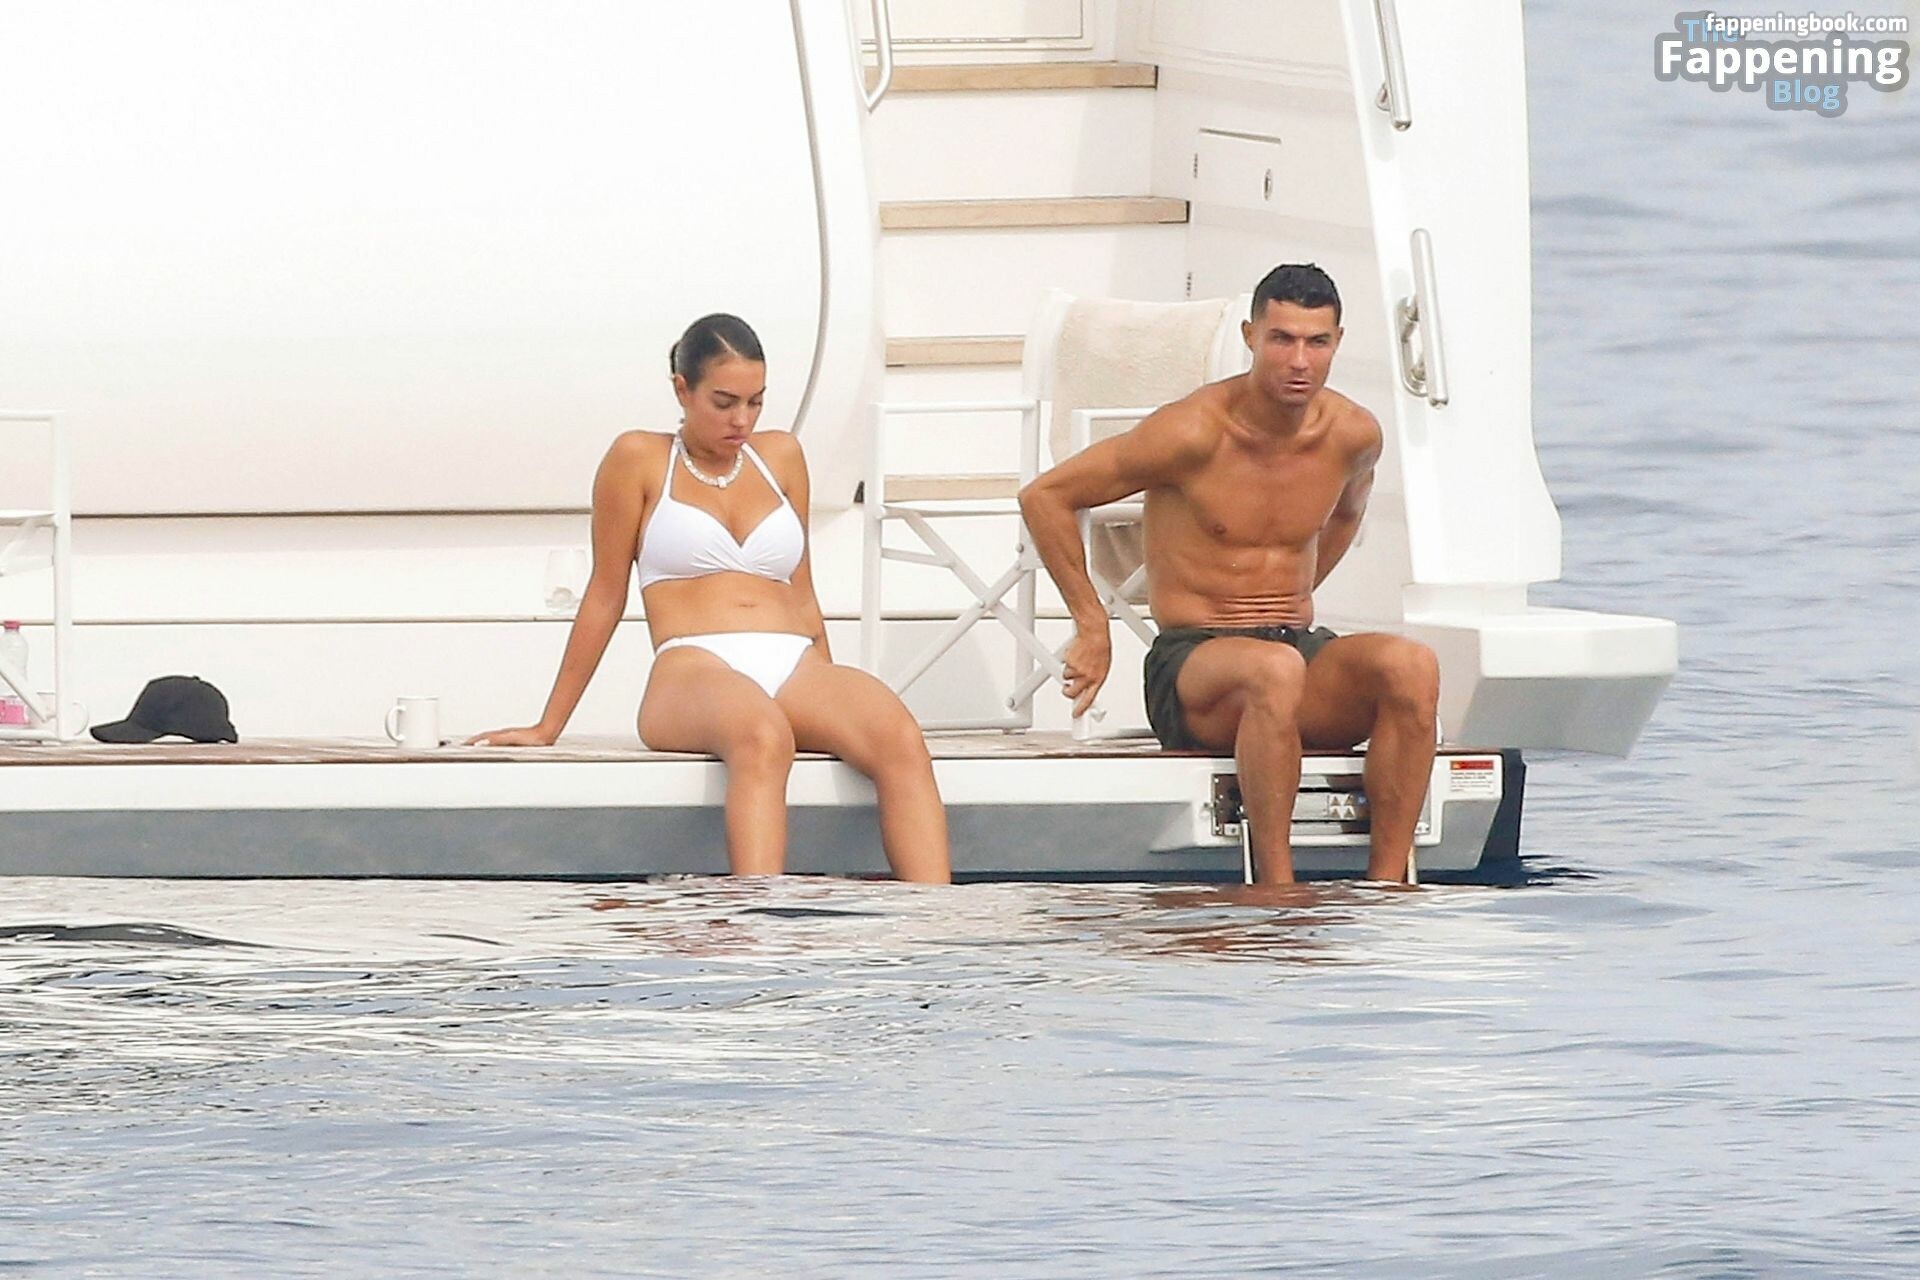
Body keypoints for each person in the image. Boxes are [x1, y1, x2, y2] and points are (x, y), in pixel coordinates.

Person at [471, 314, 951, 883]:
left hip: (793, 663)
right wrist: (549, 724)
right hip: (692, 665)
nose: (741, 419)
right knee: (762, 736)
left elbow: (801, 591)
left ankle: (937, 925)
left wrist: (830, 694)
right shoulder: (638, 458)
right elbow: (604, 593)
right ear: (683, 389)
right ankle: (757, 921)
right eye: (724, 402)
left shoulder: (782, 457)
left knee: (898, 736)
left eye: (755, 402)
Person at [1017, 265, 1440, 884]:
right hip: (1196, 668)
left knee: (1411, 665)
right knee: (1274, 670)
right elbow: (1046, 496)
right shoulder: (1193, 432)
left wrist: (1294, 594)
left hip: (1292, 650)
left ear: (1338, 343)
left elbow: (1347, 514)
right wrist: (1092, 625)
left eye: (1316, 342)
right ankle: (1275, 887)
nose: (1299, 361)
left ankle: (1387, 886)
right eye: (1281, 339)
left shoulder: (1353, 435)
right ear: (1250, 336)